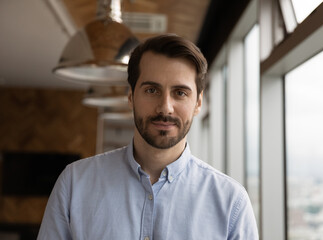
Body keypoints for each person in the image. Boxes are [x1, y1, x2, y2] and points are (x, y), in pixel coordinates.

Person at [37, 34, 258, 240]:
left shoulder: (231, 202)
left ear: (198, 103)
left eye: (180, 93)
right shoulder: (75, 184)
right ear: (131, 96)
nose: (165, 108)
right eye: (152, 90)